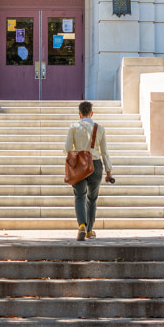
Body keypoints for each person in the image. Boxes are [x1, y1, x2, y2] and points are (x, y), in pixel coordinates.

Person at [64, 100, 113, 240]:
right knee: (92, 198)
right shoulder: (100, 129)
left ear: (79, 114)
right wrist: (109, 171)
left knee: (80, 196)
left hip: (79, 165)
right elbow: (105, 152)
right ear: (91, 113)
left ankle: (81, 226)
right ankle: (90, 231)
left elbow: (67, 148)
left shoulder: (73, 127)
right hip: (95, 165)